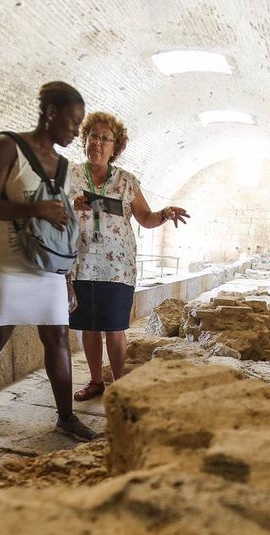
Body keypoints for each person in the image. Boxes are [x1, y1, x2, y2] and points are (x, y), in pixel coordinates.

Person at [0, 81, 96, 441]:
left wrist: (67, 278)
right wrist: (37, 207)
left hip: (48, 262)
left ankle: (66, 416)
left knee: (58, 334)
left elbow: (58, 223)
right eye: (73, 121)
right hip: (7, 258)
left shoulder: (63, 165)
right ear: (50, 114)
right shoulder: (8, 146)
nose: (77, 130)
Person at [67, 112, 189, 401]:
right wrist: (70, 204)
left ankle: (119, 385)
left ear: (115, 147)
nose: (97, 142)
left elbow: (145, 217)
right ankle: (96, 381)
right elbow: (51, 211)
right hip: (81, 265)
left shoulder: (126, 181)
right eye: (93, 136)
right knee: (89, 328)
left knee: (115, 328)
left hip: (117, 268)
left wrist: (164, 214)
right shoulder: (69, 176)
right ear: (84, 141)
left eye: (105, 139)